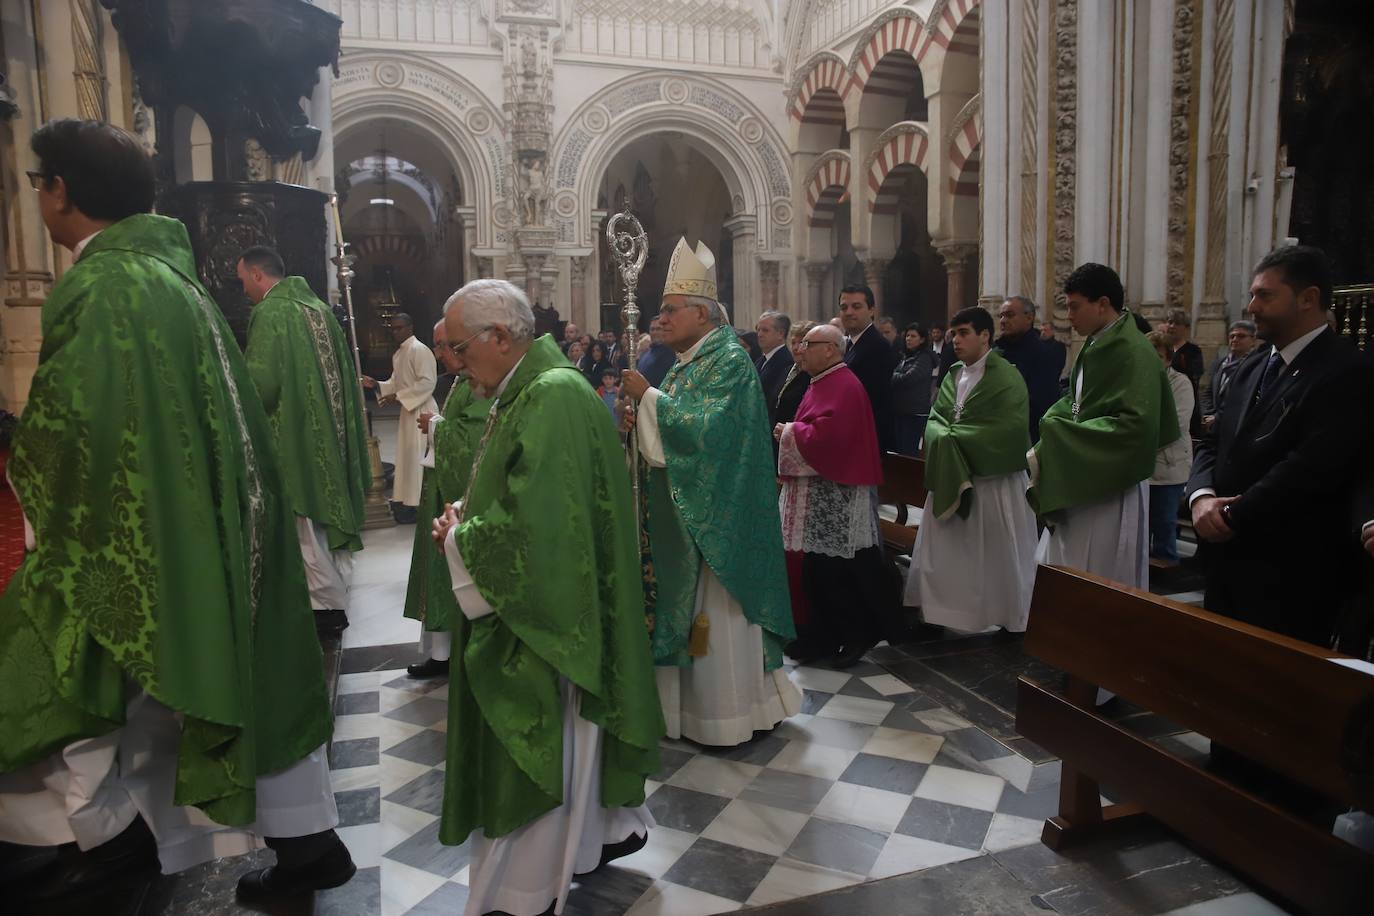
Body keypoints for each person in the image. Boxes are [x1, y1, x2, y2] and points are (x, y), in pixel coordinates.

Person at [0, 118, 352, 905]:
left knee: (59, 667)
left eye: (37, 183)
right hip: (216, 511)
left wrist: (26, 462)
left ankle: (106, 834)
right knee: (239, 669)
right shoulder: (173, 278)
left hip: (153, 523)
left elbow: (72, 431)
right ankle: (304, 844)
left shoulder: (108, 287)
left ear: (59, 191)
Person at [431, 279, 662, 916]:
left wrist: (461, 539)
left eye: (459, 348)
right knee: (566, 750)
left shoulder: (550, 394)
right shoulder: (531, 387)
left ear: (499, 337)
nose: (454, 362)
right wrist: (466, 517)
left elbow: (540, 532)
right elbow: (521, 494)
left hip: (547, 625)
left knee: (537, 751)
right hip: (555, 610)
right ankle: (583, 847)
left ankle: (522, 892)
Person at [620, 238, 800, 745]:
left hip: (720, 517)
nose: (663, 320)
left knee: (715, 615)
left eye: (671, 310)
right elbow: (670, 430)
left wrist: (648, 399)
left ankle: (726, 715)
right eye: (661, 311)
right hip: (685, 511)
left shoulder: (728, 360)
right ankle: (685, 711)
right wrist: (635, 419)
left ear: (702, 314)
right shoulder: (689, 361)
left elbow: (709, 433)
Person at [1188, 245, 1374, 647]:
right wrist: (1201, 497)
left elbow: (1310, 466)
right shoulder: (1252, 365)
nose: (1252, 306)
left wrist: (1232, 516)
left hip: (1290, 568)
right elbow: (1213, 439)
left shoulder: (1347, 371)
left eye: (1265, 295)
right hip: (1226, 560)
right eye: (1253, 294)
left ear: (1308, 299)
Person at [238, 246, 370, 636]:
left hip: (293, 437)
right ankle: (327, 601)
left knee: (303, 523)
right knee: (318, 525)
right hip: (328, 434)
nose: (242, 288)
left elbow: (260, 383)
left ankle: (326, 607)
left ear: (259, 275)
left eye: (243, 279)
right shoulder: (318, 310)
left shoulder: (272, 312)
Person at [1030, 263, 1177, 595]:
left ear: (1102, 303)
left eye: (1074, 306)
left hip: (1111, 483)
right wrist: (1054, 420)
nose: (1069, 316)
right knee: (1072, 565)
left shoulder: (1134, 351)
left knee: (1102, 571)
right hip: (1082, 474)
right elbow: (1076, 401)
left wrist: (1063, 435)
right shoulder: (1096, 345)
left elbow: (1135, 427)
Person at [904, 307, 1038, 633]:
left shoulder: (1007, 377)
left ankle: (1008, 615)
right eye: (954, 334)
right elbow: (936, 420)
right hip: (953, 475)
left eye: (964, 333)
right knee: (952, 554)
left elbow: (1010, 429)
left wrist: (952, 440)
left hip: (993, 482)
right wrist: (944, 438)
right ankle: (943, 612)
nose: (957, 340)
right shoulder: (952, 375)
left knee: (997, 555)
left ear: (985, 336)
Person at [777, 324, 889, 667]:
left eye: (808, 344)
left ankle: (855, 635)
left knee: (838, 569)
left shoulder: (844, 385)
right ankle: (820, 637)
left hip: (837, 493)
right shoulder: (821, 382)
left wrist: (790, 432)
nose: (801, 349)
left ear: (830, 349)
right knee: (816, 568)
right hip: (817, 489)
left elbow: (832, 437)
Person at [401, 318, 493, 679]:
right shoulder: (461, 380)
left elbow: (476, 439)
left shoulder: (480, 383)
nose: (440, 353)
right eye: (438, 345)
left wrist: (436, 426)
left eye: (445, 345)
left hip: (460, 499)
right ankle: (442, 651)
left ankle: (450, 654)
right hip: (443, 489)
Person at [361, 312, 438, 521]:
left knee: (420, 458)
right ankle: (410, 504)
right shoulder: (399, 354)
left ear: (410, 327)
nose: (396, 332)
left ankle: (423, 504)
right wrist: (377, 385)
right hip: (408, 412)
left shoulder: (419, 350)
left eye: (399, 328)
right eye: (393, 329)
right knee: (409, 458)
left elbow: (427, 383)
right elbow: (395, 382)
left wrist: (398, 396)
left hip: (423, 411)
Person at [1145, 331, 1194, 569]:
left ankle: (1167, 577)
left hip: (1168, 464)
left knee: (1164, 523)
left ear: (1167, 359)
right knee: (1141, 528)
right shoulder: (1138, 381)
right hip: (1142, 467)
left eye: (1157, 356)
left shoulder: (1180, 383)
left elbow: (1176, 423)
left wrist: (1137, 438)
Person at [838, 285, 899, 451]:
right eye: (844, 307)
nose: (849, 312)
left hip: (866, 439)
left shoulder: (877, 346)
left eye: (856, 306)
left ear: (871, 310)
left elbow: (869, 400)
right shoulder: (849, 343)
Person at [995, 296, 1065, 441]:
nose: (1002, 321)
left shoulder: (1043, 353)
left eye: (1009, 315)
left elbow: (1043, 404)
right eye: (1001, 316)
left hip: (1025, 436)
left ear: (1029, 318)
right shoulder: (994, 351)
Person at [1200, 319, 1258, 429]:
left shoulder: (1256, 365)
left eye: (1241, 336)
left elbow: (1243, 399)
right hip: (1213, 426)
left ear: (1253, 340)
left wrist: (1218, 417)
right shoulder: (1220, 363)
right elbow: (1208, 392)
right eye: (1232, 336)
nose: (1235, 339)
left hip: (1238, 426)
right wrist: (1207, 414)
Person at [891, 322, 934, 456]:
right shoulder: (906, 356)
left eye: (913, 336)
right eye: (907, 335)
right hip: (902, 409)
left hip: (915, 411)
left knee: (909, 451)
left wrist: (892, 376)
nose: (908, 338)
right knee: (900, 449)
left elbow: (909, 378)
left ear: (922, 339)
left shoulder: (924, 358)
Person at [1165, 309, 1205, 436]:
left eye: (1177, 323)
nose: (1172, 326)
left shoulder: (1193, 351)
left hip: (1185, 403)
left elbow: (1195, 375)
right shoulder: (1164, 349)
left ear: (1186, 328)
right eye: (1170, 322)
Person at [754, 310, 795, 423]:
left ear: (781, 334)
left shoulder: (786, 362)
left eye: (765, 330)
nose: (759, 334)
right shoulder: (760, 360)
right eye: (758, 329)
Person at [636, 317, 675, 388]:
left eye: (658, 329)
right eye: (652, 329)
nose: (654, 332)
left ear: (665, 330)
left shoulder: (671, 352)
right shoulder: (645, 352)